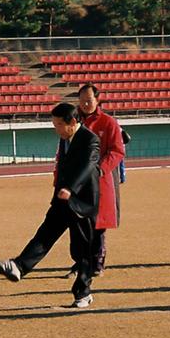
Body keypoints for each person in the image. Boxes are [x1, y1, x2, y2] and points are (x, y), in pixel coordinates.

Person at [0, 102, 101, 309]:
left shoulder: (90, 139)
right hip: (61, 199)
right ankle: (17, 267)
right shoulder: (65, 139)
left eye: (58, 124)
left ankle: (83, 293)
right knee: (45, 235)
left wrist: (71, 188)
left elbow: (89, 165)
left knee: (82, 251)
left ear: (72, 122)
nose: (55, 128)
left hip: (81, 202)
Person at [70, 84, 124, 276]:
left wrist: (100, 169)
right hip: (76, 182)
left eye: (89, 100)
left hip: (99, 181)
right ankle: (79, 263)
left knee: (98, 225)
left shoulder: (108, 122)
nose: (85, 103)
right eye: (82, 100)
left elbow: (117, 151)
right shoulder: (73, 121)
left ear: (97, 100)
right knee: (77, 224)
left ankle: (98, 263)